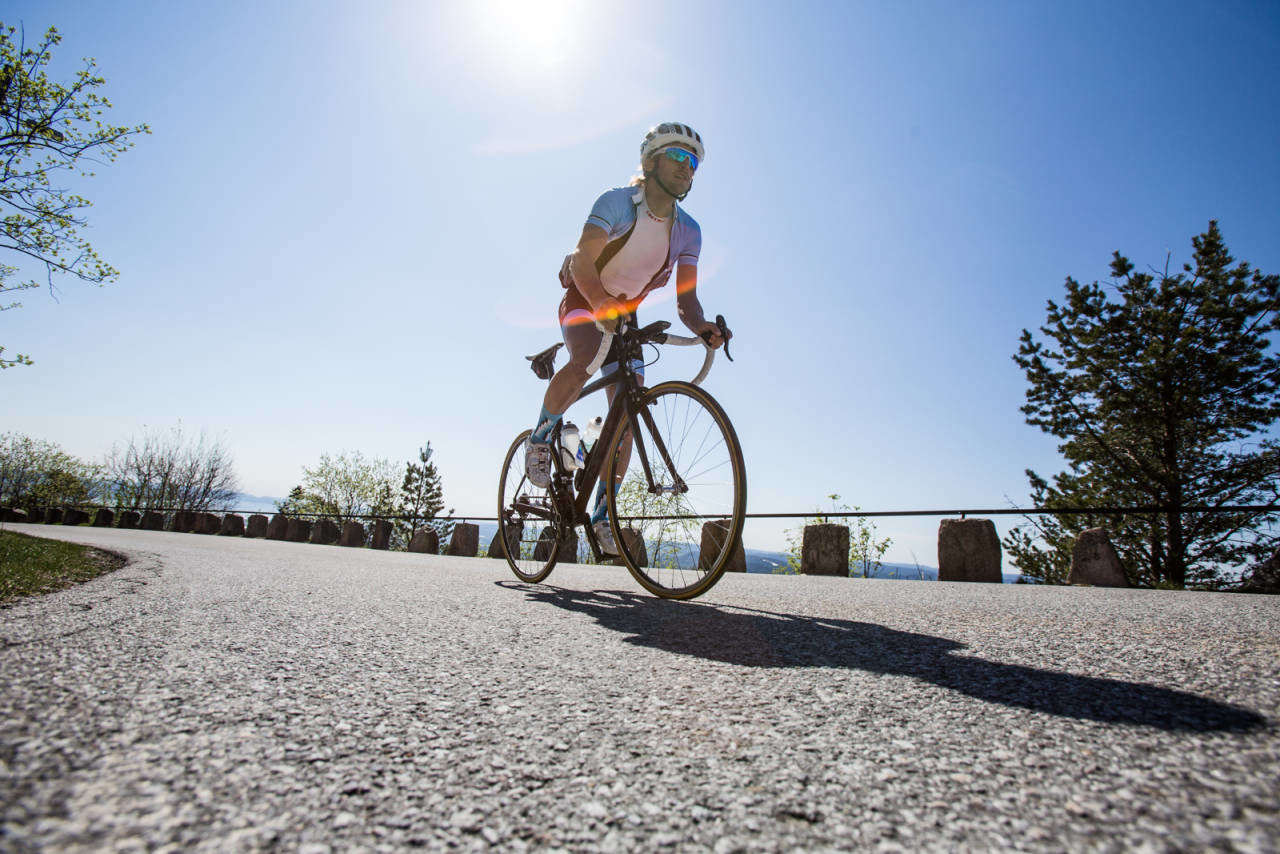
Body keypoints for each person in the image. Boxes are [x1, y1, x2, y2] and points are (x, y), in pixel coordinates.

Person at [525, 121, 730, 555]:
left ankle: (603, 516)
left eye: (694, 163)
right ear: (651, 162)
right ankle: (540, 438)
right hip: (585, 295)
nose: (687, 167)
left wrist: (703, 327)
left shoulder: (689, 231)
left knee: (628, 414)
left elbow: (686, 303)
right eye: (678, 156)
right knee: (585, 358)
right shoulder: (617, 202)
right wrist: (600, 301)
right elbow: (583, 260)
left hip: (625, 314)